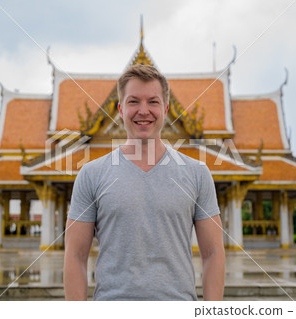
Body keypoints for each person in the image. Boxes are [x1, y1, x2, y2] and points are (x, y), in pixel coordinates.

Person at [64, 64, 225, 301]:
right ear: (120, 109)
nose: (143, 110)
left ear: (166, 108)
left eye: (153, 101)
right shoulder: (91, 174)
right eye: (133, 102)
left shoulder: (197, 174)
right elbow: (75, 256)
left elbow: (213, 253)